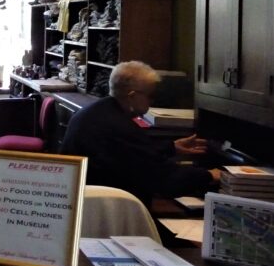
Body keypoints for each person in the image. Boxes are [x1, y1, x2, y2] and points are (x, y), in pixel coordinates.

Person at [60, 61, 219, 206]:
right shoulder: (119, 126)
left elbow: (128, 155)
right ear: (132, 96)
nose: (153, 101)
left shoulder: (98, 111)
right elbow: (164, 179)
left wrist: (171, 147)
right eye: (151, 96)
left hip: (82, 201)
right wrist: (210, 175)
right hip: (104, 207)